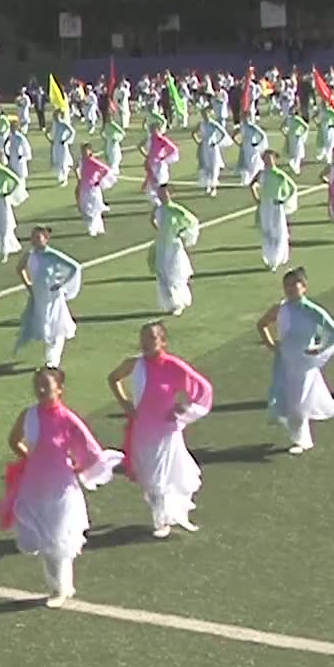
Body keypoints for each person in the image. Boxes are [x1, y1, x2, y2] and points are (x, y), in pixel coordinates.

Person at [0, 366, 122, 606]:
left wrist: (79, 467)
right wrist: (28, 457)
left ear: (60, 389)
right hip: (34, 484)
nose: (42, 390)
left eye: (47, 385)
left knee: (58, 538)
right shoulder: (29, 415)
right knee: (37, 536)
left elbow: (91, 448)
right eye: (38, 385)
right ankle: (58, 585)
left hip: (61, 488)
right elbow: (14, 440)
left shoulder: (67, 419)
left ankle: (60, 588)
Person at [107, 321, 212, 538]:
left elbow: (202, 389)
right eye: (143, 338)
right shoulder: (135, 365)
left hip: (165, 431)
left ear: (163, 341)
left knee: (159, 477)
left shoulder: (174, 366)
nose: (146, 343)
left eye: (152, 338)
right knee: (148, 476)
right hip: (141, 430)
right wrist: (125, 404)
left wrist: (185, 408)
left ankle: (161, 520)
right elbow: (113, 378)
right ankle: (163, 513)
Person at [257, 267, 334, 456]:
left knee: (298, 403)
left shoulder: (312, 310)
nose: (289, 289)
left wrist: (319, 349)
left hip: (305, 364)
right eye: (286, 285)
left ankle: (301, 440)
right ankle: (301, 438)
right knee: (287, 401)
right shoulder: (281, 308)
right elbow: (262, 324)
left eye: (294, 285)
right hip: (285, 363)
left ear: (304, 287)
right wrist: (272, 346)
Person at [15, 226, 82, 368]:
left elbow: (74, 267)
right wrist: (28, 286)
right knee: (45, 325)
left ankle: (52, 360)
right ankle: (51, 358)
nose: (34, 240)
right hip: (39, 297)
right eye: (32, 237)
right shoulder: (30, 255)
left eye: (38, 237)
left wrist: (61, 284)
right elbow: (19, 268)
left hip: (53, 297)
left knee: (55, 325)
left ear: (45, 239)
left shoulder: (52, 254)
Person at [149, 184, 200, 316]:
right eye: (160, 193)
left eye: (165, 193)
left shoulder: (176, 209)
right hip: (161, 245)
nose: (162, 196)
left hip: (174, 247)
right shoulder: (159, 210)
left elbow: (192, 221)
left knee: (174, 273)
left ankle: (179, 302)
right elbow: (154, 221)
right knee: (162, 274)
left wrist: (182, 233)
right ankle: (170, 302)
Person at [250, 150, 298, 272]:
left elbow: (293, 188)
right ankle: (268, 258)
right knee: (267, 233)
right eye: (265, 158)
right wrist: (257, 199)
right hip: (265, 206)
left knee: (278, 233)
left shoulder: (279, 174)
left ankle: (275, 260)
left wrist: (284, 200)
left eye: (270, 158)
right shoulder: (262, 174)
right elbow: (252, 185)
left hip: (276, 206)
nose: (267, 161)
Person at [75, 142, 115, 237]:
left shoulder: (92, 161)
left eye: (85, 150)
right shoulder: (82, 161)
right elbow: (79, 171)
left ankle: (92, 228)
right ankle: (98, 227)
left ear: (90, 151)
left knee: (93, 208)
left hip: (93, 188)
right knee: (86, 208)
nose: (83, 152)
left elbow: (106, 169)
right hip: (84, 187)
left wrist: (99, 179)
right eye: (82, 150)